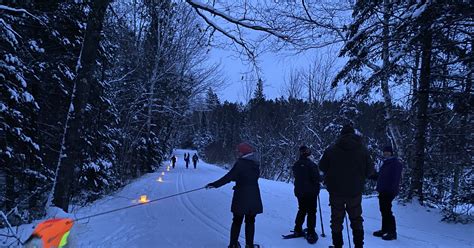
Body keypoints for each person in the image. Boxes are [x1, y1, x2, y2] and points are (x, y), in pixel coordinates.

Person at [319, 124, 375, 248]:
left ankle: (338, 245)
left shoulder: (331, 149)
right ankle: (359, 246)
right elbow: (370, 171)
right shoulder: (363, 150)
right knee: (356, 219)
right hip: (355, 191)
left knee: (336, 220)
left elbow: (322, 167)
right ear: (354, 134)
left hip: (336, 191)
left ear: (341, 134)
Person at [205, 143, 263, 248]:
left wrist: (214, 184)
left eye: (239, 151)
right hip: (254, 196)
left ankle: (233, 244)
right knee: (250, 221)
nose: (237, 153)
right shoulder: (255, 164)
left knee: (237, 220)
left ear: (244, 153)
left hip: (241, 196)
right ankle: (249, 245)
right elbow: (249, 177)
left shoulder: (240, 163)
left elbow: (229, 177)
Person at [372, 145, 403, 241]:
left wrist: (391, 190)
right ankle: (384, 229)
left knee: (387, 210)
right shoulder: (386, 163)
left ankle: (392, 232)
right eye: (384, 152)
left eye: (387, 152)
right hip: (383, 190)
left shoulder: (395, 163)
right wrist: (372, 176)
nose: (385, 153)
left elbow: (395, 179)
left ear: (391, 153)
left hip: (389, 191)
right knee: (383, 210)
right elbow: (381, 176)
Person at [292, 145, 321, 244]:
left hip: (300, 191)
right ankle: (311, 232)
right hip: (310, 192)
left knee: (302, 209)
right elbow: (316, 178)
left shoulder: (296, 164)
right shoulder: (312, 165)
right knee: (311, 212)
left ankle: (297, 229)